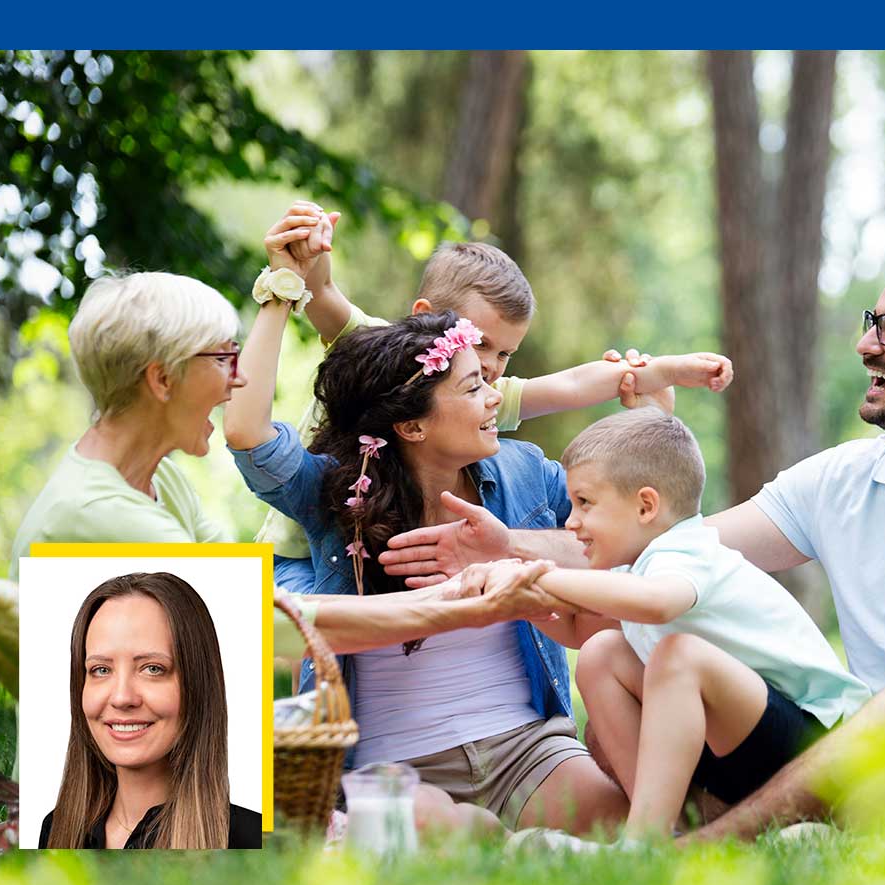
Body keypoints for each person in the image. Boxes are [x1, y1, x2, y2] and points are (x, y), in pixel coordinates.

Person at [381, 239, 885, 835]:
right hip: (863, 763)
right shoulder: (842, 479)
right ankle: (685, 829)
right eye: (870, 321)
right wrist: (512, 547)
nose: (865, 344)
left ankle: (707, 848)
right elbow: (670, 548)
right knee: (611, 642)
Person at [222, 220, 630, 836]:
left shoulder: (523, 471)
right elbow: (245, 433)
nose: (496, 394)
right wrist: (281, 290)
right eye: (474, 385)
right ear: (412, 426)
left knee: (622, 827)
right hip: (396, 768)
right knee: (457, 834)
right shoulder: (339, 490)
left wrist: (508, 546)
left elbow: (615, 542)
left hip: (525, 749)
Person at [254, 203, 733, 595]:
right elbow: (320, 290)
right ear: (428, 316)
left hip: (375, 550)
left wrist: (658, 371)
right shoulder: (375, 346)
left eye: (505, 353)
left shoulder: (482, 396)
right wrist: (312, 246)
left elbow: (567, 386)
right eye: (481, 343)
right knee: (319, 642)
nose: (491, 366)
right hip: (295, 551)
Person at [463, 409, 871, 849]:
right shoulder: (638, 564)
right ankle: (666, 827)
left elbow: (659, 604)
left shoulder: (684, 551)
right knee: (601, 654)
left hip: (822, 752)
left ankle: (642, 844)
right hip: (745, 748)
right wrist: (519, 599)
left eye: (585, 503)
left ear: (645, 505)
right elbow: (579, 631)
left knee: (679, 657)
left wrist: (535, 576)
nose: (571, 522)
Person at [10, 272, 246, 576]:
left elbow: (249, 586)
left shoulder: (162, 479)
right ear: (162, 379)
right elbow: (253, 612)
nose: (240, 378)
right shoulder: (98, 510)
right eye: (223, 358)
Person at [39, 572, 261, 849]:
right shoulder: (55, 831)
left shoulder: (252, 840)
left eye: (153, 669)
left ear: (198, 684)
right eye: (101, 670)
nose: (122, 697)